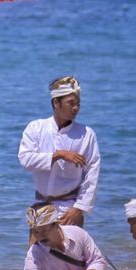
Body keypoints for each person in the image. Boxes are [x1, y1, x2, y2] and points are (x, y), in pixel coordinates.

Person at [18, 76, 100, 228]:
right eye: (71, 103)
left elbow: (92, 175)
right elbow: (25, 160)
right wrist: (58, 155)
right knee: (35, 252)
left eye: (78, 104)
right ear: (56, 103)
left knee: (68, 251)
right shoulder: (36, 128)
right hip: (40, 206)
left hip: (69, 208)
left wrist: (79, 208)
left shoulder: (86, 134)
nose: (75, 108)